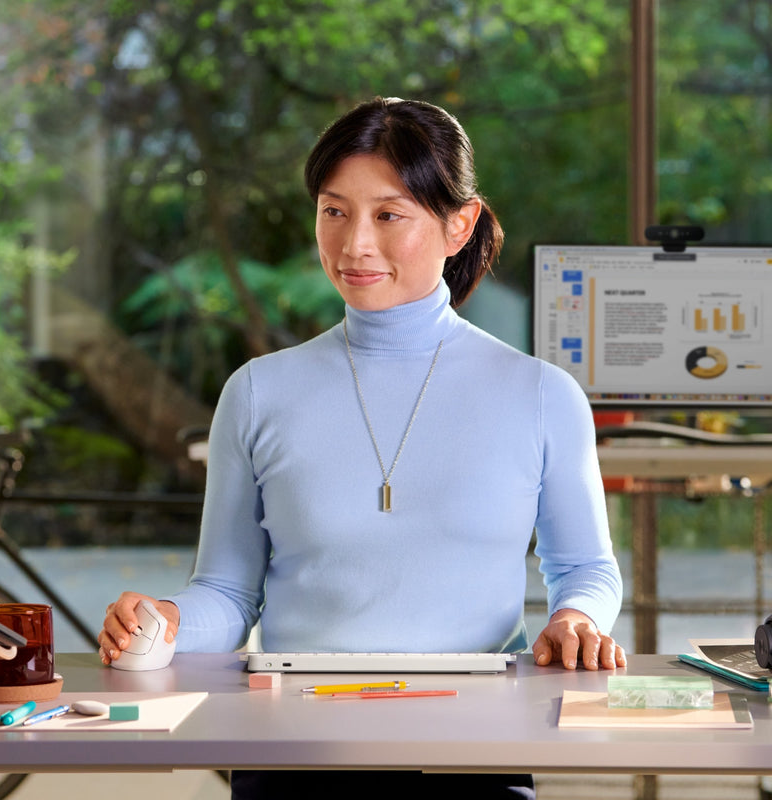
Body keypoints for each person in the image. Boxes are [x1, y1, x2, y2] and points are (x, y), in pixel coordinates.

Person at [100, 97, 625, 799]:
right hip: (291, 749)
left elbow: (586, 568)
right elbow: (228, 592)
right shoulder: (259, 392)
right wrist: (166, 620)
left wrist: (575, 620)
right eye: (334, 210)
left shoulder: (540, 395)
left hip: (477, 750)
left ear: (458, 224)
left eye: (389, 214)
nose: (354, 246)